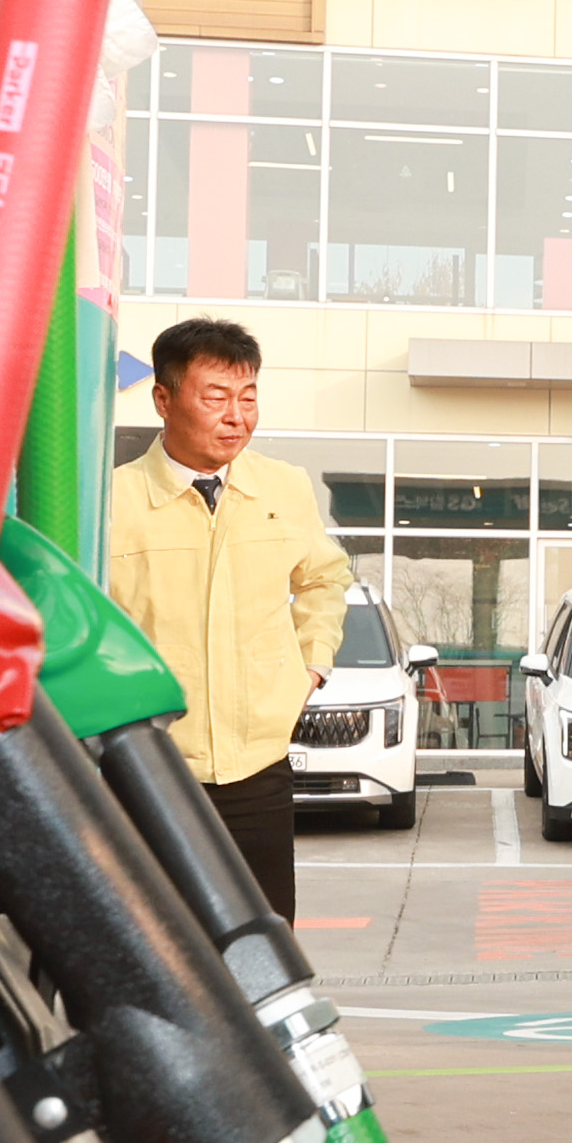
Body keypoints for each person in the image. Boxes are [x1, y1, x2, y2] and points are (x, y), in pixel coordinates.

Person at [98, 318, 355, 920]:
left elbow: (324, 577)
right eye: (215, 397)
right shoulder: (114, 500)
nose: (236, 415)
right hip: (150, 767)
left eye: (247, 397)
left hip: (257, 768)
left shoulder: (283, 488)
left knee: (263, 942)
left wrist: (311, 664)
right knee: (160, 944)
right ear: (163, 399)